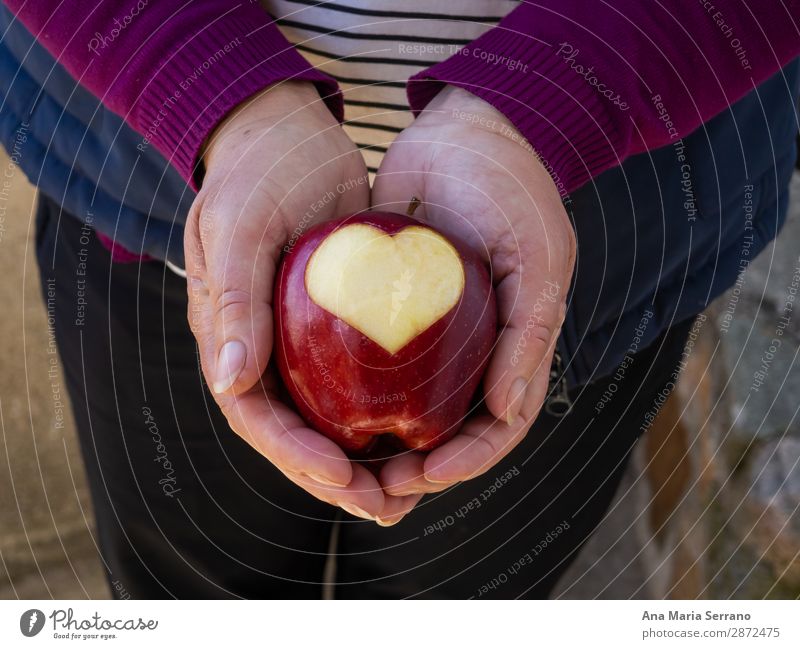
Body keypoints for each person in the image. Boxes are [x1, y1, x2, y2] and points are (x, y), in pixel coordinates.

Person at [1, 0, 798, 598]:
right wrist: (204, 75)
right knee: (187, 586)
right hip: (156, 195)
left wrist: (549, 96)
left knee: (469, 597)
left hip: (589, 235)